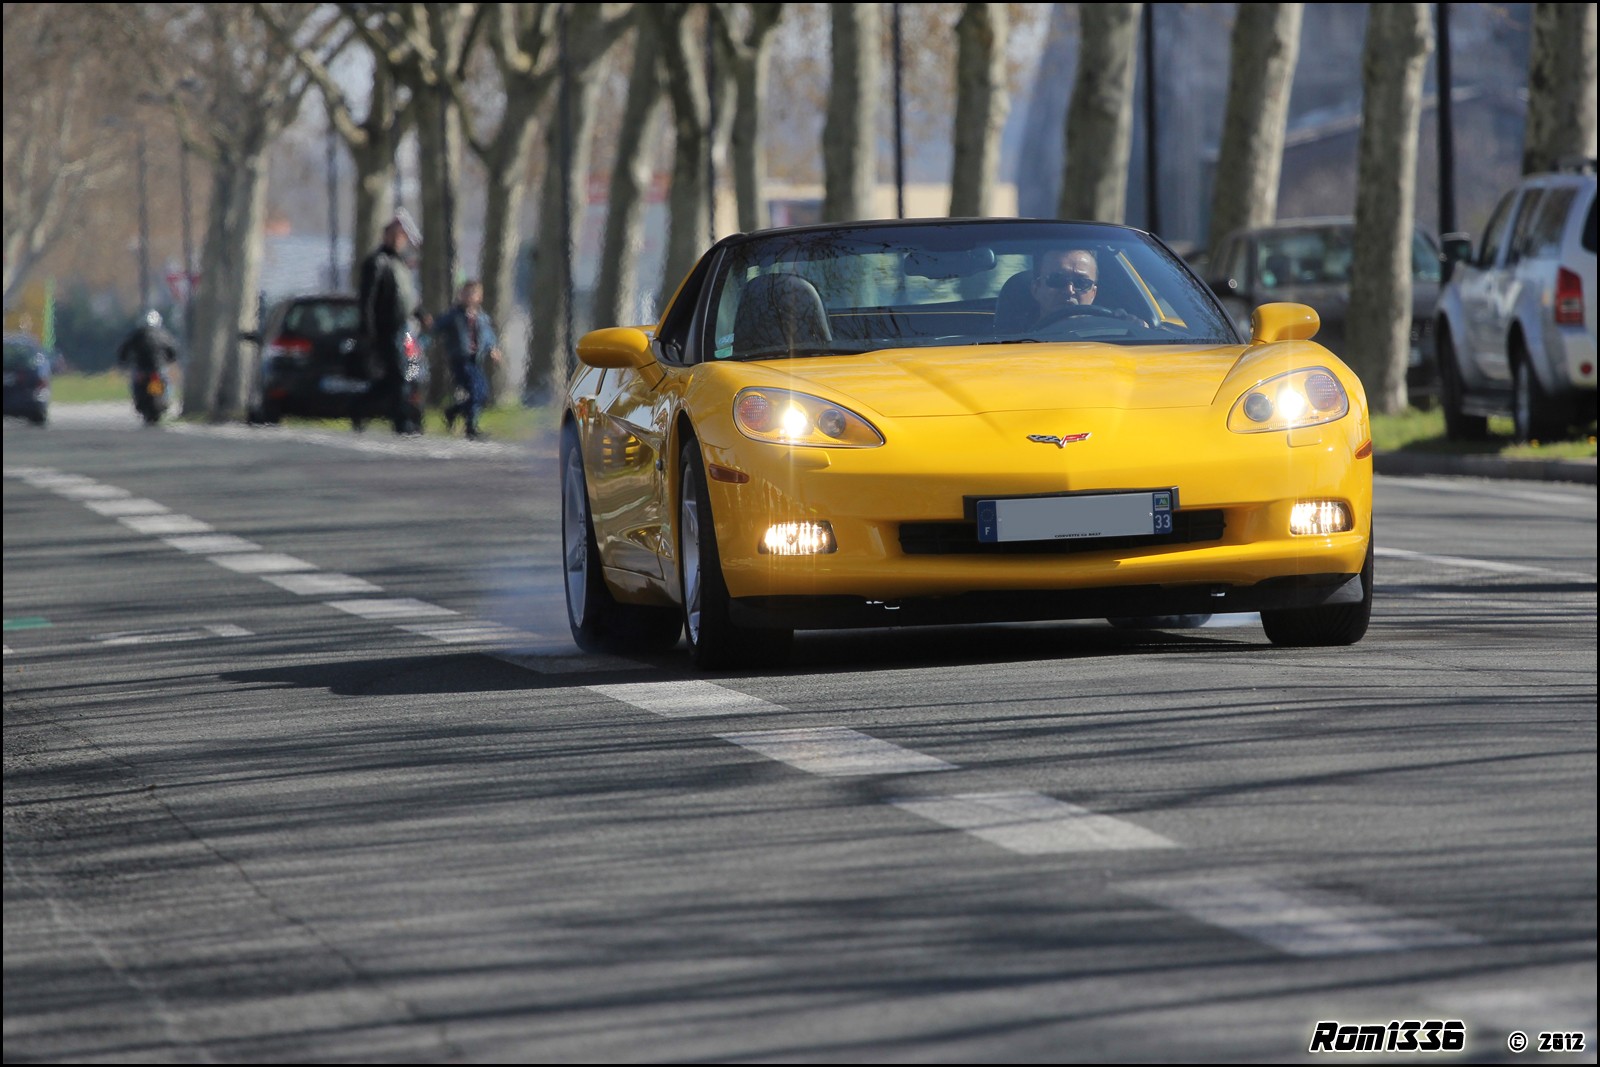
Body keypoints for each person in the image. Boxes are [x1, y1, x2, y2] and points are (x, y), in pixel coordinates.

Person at [357, 208, 425, 434]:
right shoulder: (377, 262)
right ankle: (401, 421)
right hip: (388, 328)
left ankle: (362, 407)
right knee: (398, 375)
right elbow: (368, 299)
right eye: (396, 236)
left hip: (405, 329)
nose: (400, 241)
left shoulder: (401, 264)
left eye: (402, 237)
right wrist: (369, 330)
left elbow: (408, 297)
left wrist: (421, 315)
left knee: (408, 373)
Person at [434, 279, 501, 440]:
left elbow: (489, 336)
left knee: (482, 392)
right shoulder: (454, 315)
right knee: (474, 389)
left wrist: (493, 349)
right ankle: (471, 426)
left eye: (473, 294)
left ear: (480, 297)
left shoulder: (482, 318)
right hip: (460, 359)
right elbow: (437, 327)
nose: (469, 297)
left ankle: (453, 411)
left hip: (475, 360)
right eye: (466, 294)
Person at [116, 310, 179, 399]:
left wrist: (123, 361)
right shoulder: (164, 335)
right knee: (165, 380)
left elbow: (124, 348)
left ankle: (161, 397)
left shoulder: (137, 335)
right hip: (156, 368)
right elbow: (172, 352)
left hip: (144, 368)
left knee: (163, 381)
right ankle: (165, 398)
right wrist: (169, 360)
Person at [1030, 247, 1100, 324]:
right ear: (1036, 288)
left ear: (1093, 293)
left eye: (1082, 282)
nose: (1069, 290)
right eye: (1057, 280)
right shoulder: (1017, 334)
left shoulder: (1110, 333)